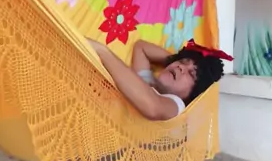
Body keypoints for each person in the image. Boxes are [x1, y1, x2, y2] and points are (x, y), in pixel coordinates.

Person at [88, 38, 229, 121]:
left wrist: (102, 52)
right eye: (182, 62)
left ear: (194, 93)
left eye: (191, 74)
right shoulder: (146, 82)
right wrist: (174, 60)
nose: (181, 67)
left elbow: (153, 107)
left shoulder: (176, 105)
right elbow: (141, 47)